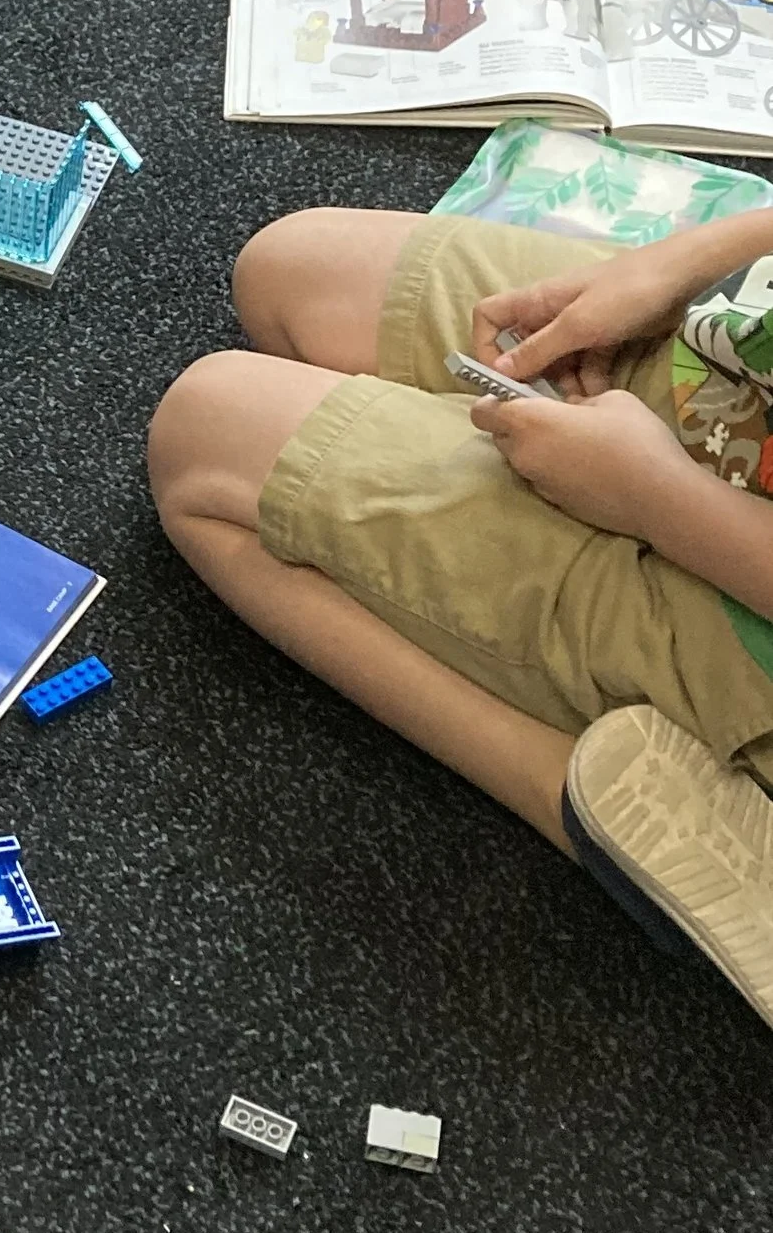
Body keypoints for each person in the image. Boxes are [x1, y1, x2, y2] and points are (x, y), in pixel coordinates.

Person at [148, 202, 773, 1018]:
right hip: (738, 358)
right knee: (286, 272)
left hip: (738, 599)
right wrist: (678, 264)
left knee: (201, 433)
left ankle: (571, 788)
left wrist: (653, 498)